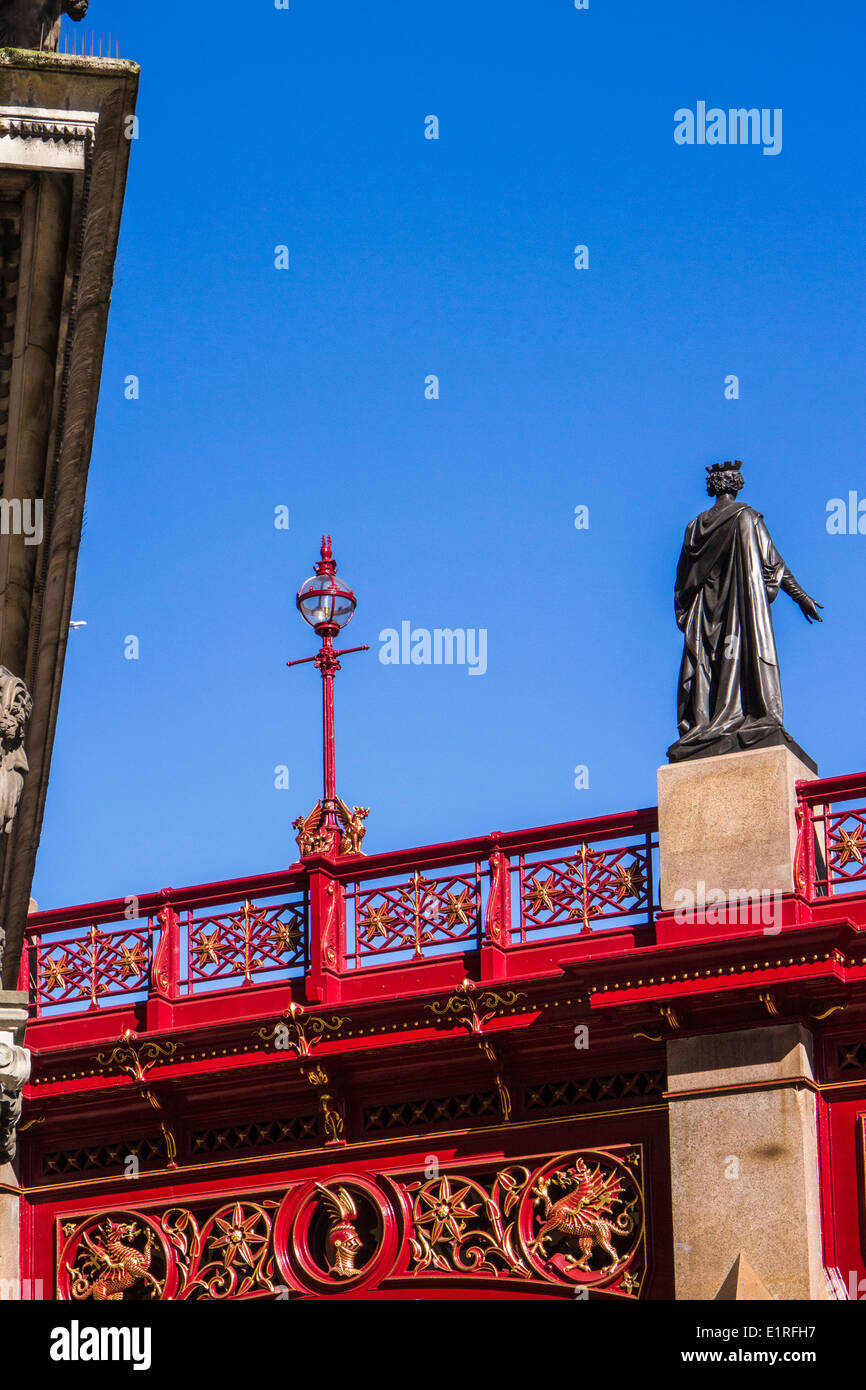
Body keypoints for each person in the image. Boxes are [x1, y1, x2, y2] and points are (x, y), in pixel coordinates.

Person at [668, 461, 822, 763]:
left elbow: (682, 581)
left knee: (707, 670)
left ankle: (706, 724)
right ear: (736, 485)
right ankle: (737, 717)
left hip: (704, 614)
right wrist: (801, 596)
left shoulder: (693, 528)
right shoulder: (746, 518)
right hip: (739, 611)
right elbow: (774, 562)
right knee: (740, 665)